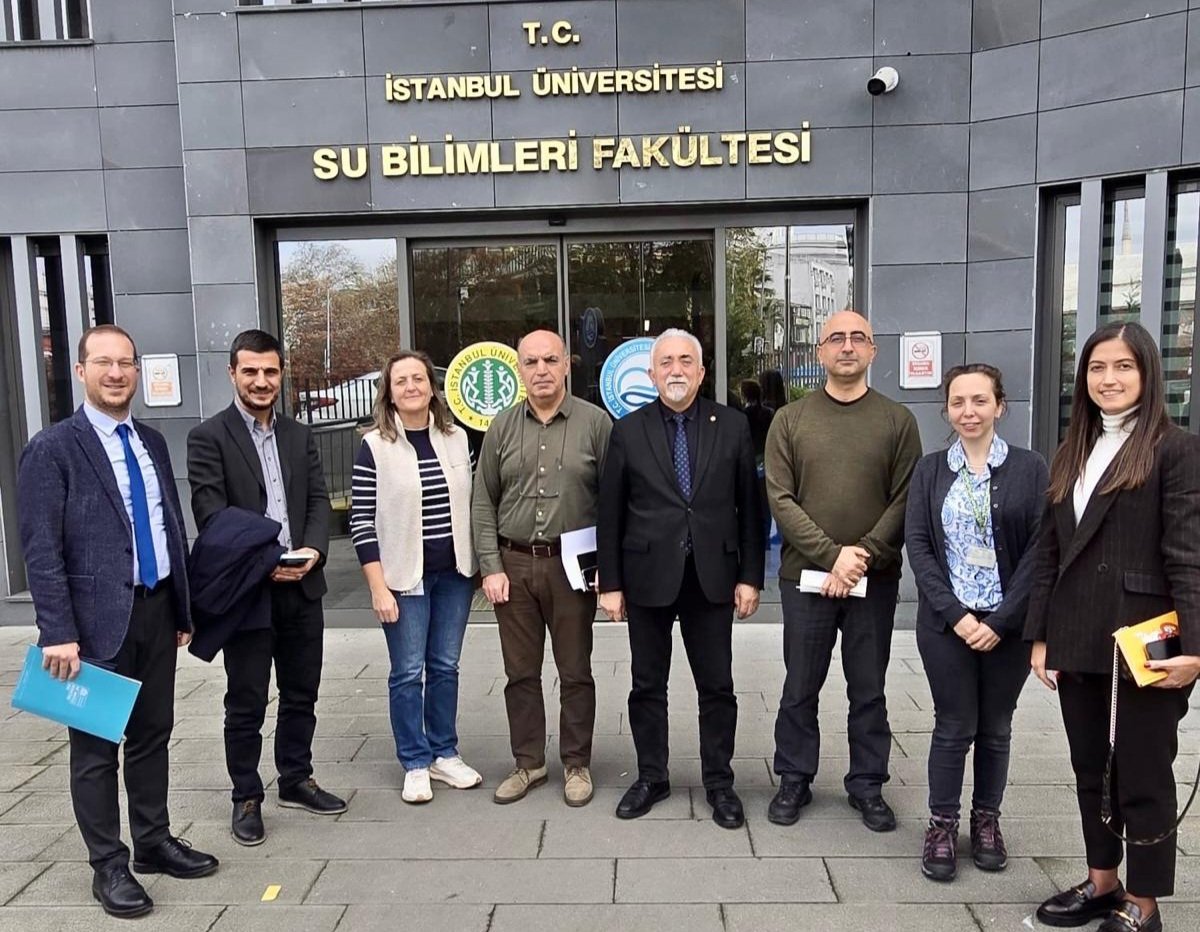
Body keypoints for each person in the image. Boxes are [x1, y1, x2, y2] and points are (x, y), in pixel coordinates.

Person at [17, 325, 218, 918]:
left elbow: (167, 528)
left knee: (154, 735)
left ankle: (153, 841)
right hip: (92, 626)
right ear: (80, 372)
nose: (115, 373)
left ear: (137, 372)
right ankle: (109, 864)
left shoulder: (152, 440)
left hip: (155, 612)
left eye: (125, 363)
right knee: (97, 748)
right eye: (102, 363)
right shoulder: (53, 448)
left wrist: (182, 608)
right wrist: (57, 631)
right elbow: (41, 549)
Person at [1026, 322, 1200, 932]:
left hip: (1146, 637)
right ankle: (1103, 881)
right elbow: (1050, 550)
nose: (1109, 379)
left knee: (1144, 771)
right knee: (1088, 767)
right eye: (1098, 368)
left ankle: (1145, 905)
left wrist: (1196, 649)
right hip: (1077, 633)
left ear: (1148, 373)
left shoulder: (1175, 448)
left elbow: (1187, 553)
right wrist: (1041, 636)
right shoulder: (1073, 447)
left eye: (1123, 366)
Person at [597, 328, 764, 829]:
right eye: (666, 361)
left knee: (717, 686)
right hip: (647, 577)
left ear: (701, 371)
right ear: (651, 374)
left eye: (685, 360)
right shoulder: (626, 431)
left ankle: (720, 782)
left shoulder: (732, 426)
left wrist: (750, 576)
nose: (675, 369)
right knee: (647, 684)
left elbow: (750, 510)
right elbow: (611, 514)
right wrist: (610, 583)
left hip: (712, 577)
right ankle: (653, 776)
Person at [764, 309, 921, 831]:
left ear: (873, 351)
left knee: (868, 687)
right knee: (799, 684)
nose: (847, 346)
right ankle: (793, 778)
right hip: (805, 578)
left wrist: (861, 557)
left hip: (872, 582)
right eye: (836, 338)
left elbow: (905, 500)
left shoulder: (897, 421)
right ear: (819, 352)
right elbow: (781, 499)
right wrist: (832, 555)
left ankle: (868, 785)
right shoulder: (790, 420)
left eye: (859, 338)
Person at [187, 329, 345, 846]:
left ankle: (296, 779)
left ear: (282, 375)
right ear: (232, 373)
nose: (261, 381)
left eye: (270, 371)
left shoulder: (300, 436)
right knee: (247, 700)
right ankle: (246, 796)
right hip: (250, 592)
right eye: (250, 371)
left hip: (303, 587)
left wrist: (315, 551)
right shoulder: (208, 438)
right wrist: (268, 559)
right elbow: (213, 517)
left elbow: (319, 502)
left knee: (302, 693)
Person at [904, 364, 1048, 881]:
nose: (968, 411)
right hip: (947, 626)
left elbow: (1040, 549)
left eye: (979, 401)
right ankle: (942, 825)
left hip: (1007, 626)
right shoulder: (930, 470)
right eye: (958, 402)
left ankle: (987, 822)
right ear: (946, 409)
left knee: (995, 728)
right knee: (953, 725)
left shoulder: (1031, 469)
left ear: (999, 406)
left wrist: (1004, 620)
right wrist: (957, 616)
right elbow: (918, 547)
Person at [472, 329, 612, 807]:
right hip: (513, 567)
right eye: (530, 362)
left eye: (550, 360)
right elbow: (482, 501)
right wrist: (490, 566)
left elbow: (615, 504)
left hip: (573, 567)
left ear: (567, 364)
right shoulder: (502, 428)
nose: (541, 370)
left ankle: (577, 764)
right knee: (520, 673)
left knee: (575, 671)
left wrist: (608, 570)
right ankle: (529, 762)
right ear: (519, 369)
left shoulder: (596, 424)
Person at [349, 350, 481, 804]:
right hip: (404, 579)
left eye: (418, 378)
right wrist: (377, 585)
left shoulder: (456, 438)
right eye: (400, 380)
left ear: (431, 386)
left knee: (445, 666)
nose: (411, 386)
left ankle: (444, 752)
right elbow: (361, 520)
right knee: (408, 671)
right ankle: (415, 760)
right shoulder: (376, 446)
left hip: (455, 575)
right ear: (388, 390)